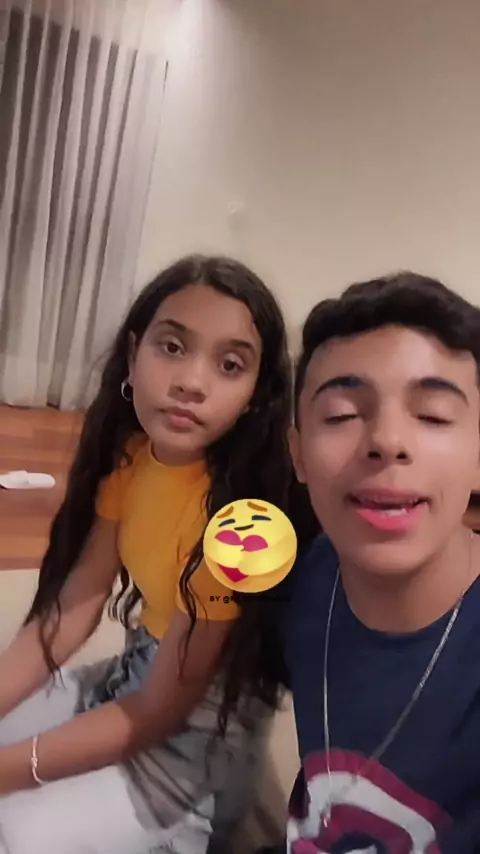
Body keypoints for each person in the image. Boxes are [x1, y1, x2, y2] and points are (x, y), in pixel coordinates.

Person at [0, 254, 294, 854]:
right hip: (130, 679)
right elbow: (75, 607)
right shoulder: (135, 457)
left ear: (254, 394)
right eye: (173, 347)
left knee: (17, 835)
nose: (192, 382)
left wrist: (10, 770)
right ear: (134, 355)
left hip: (194, 750)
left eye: (230, 364)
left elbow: (161, 711)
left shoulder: (243, 529)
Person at [283, 272, 480, 853]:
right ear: (297, 453)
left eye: (434, 415)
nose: (387, 440)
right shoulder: (303, 577)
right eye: (343, 414)